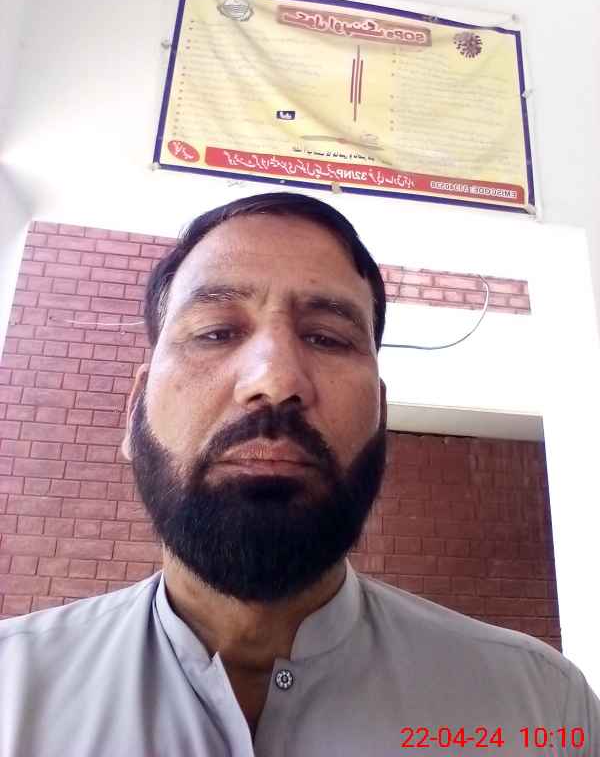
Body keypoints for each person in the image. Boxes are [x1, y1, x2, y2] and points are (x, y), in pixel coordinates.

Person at [0, 192, 598, 757]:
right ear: (135, 411)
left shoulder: (544, 712)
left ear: (381, 415)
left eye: (326, 338)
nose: (276, 378)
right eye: (216, 332)